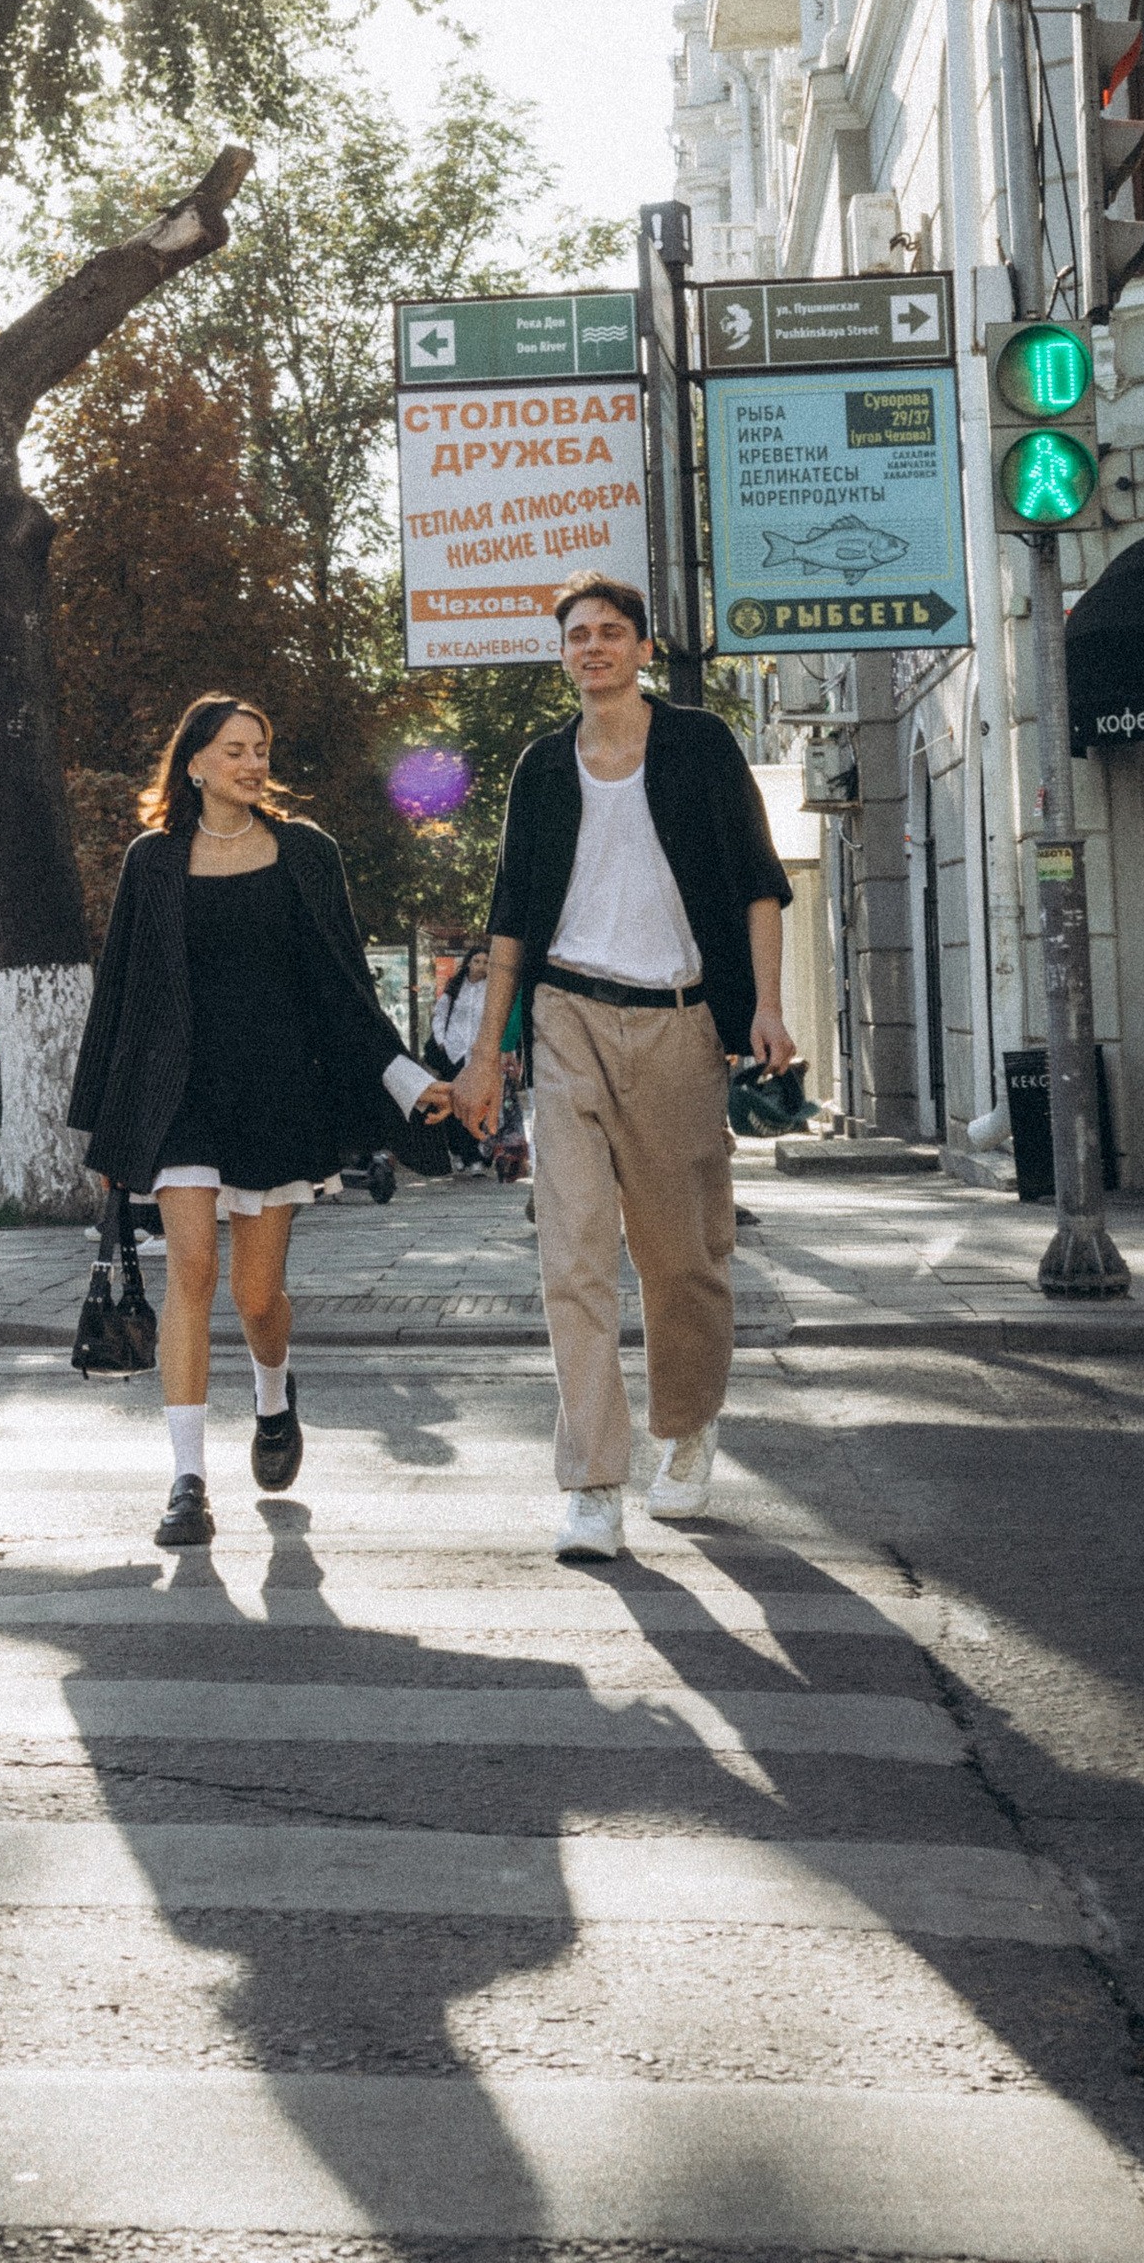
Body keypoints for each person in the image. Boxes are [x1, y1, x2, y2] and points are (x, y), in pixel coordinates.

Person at [450, 573, 797, 1564]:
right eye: (576, 636)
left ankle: (686, 1427)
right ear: (562, 655)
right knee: (571, 1253)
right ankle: (593, 1481)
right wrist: (486, 1059)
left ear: (644, 649)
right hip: (565, 1017)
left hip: (681, 1022)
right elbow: (511, 916)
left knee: (681, 1257)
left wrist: (766, 1006)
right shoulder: (541, 767)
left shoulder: (698, 746)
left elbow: (758, 888)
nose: (592, 648)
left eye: (609, 634)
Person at [69, 693, 449, 1550]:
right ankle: (186, 1481)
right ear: (194, 762)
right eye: (234, 749)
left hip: (278, 1091)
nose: (252, 763)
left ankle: (273, 1397)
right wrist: (107, 1125)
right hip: (179, 1097)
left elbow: (345, 991)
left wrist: (406, 1078)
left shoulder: (306, 853)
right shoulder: (154, 861)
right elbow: (120, 995)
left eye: (261, 748)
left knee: (255, 1294)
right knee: (193, 1270)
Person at [425, 943, 496, 1173]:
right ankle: (456, 1151)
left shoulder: (491, 990)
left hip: (476, 1055)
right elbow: (440, 1015)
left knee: (475, 1105)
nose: (481, 966)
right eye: (477, 961)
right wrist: (441, 1040)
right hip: (454, 1053)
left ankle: (474, 1156)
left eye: (486, 962)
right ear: (468, 963)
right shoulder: (456, 987)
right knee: (453, 1105)